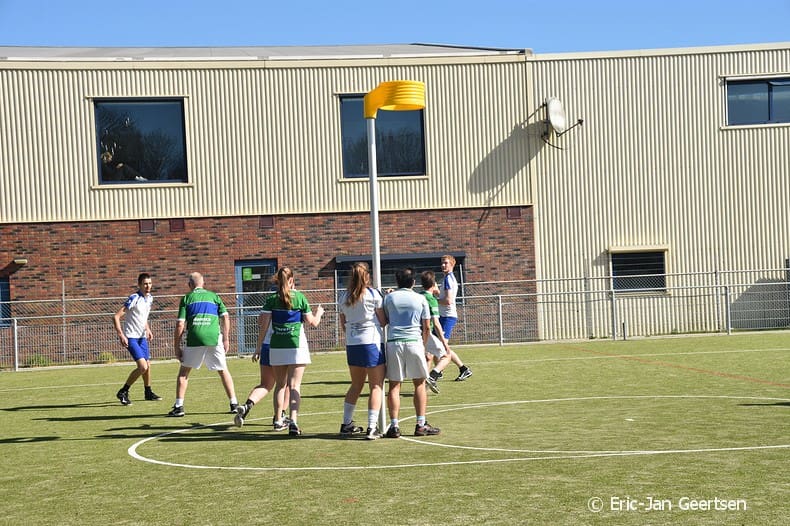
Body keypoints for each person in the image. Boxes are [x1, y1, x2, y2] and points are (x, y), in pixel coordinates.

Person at [257, 266, 324, 436]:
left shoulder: (272, 299)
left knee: (280, 385)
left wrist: (258, 347)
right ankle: (293, 421)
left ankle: (278, 419)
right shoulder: (300, 297)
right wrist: (319, 313)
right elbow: (313, 322)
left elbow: (263, 325)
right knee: (294, 386)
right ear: (292, 280)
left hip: (277, 346)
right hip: (296, 346)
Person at [167, 272, 238, 417]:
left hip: (195, 338)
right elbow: (225, 317)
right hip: (214, 337)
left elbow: (180, 324)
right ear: (203, 283)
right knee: (223, 370)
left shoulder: (187, 298)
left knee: (184, 373)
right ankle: (234, 404)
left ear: (190, 285)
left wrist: (176, 347)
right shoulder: (214, 296)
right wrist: (226, 339)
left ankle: (179, 407)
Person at [382, 267, 440, 438]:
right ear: (413, 282)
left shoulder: (389, 298)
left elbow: (385, 319)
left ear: (397, 281)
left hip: (394, 343)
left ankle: (394, 426)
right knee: (419, 384)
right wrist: (424, 345)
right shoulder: (420, 298)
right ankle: (420, 424)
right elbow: (426, 326)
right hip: (414, 342)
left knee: (394, 385)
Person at [337, 262, 387, 440]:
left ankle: (346, 423)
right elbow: (383, 321)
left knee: (356, 384)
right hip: (371, 343)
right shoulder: (373, 294)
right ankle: (372, 427)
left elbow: (343, 324)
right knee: (376, 386)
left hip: (352, 343)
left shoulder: (343, 296)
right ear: (367, 276)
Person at [233, 311, 292, 431]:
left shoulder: (269, 303)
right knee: (286, 384)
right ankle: (280, 415)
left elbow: (260, 321)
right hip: (282, 345)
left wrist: (258, 347)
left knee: (265, 385)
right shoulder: (294, 301)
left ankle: (247, 405)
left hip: (266, 345)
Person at [113, 272, 161, 405]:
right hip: (131, 337)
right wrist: (121, 335)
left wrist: (148, 329)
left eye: (150, 283)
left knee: (148, 365)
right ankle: (123, 391)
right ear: (139, 285)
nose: (148, 286)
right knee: (143, 367)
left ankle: (148, 392)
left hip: (141, 337)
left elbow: (143, 317)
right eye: (145, 284)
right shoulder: (134, 298)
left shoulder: (149, 298)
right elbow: (116, 317)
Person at [436, 254, 473, 382]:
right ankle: (439, 371)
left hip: (447, 317)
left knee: (443, 346)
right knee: (435, 344)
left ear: (452, 264)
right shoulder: (447, 278)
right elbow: (444, 297)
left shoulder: (448, 279)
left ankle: (463, 369)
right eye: (442, 262)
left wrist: (433, 300)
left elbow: (448, 301)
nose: (443, 265)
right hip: (443, 316)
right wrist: (436, 292)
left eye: (446, 263)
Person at [419, 270, 454, 395]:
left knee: (428, 357)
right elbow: (436, 323)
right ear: (434, 285)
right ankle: (433, 376)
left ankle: (423, 387)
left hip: (415, 332)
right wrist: (444, 342)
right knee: (446, 355)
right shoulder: (431, 299)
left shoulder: (418, 296)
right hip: (425, 332)